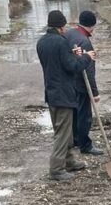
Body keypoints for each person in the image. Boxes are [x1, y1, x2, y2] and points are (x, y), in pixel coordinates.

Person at [36, 9, 96, 182]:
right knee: (63, 133)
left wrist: (72, 54)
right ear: (61, 27)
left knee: (65, 131)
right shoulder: (61, 42)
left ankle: (69, 161)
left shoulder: (42, 42)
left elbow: (58, 62)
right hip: (63, 94)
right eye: (64, 26)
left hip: (52, 92)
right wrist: (86, 58)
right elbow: (72, 67)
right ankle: (56, 169)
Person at [66, 10, 104, 156]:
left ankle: (75, 139)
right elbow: (89, 70)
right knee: (84, 116)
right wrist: (94, 93)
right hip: (81, 84)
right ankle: (85, 145)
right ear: (91, 26)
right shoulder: (85, 42)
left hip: (70, 81)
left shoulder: (69, 33)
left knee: (75, 113)